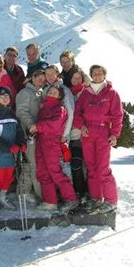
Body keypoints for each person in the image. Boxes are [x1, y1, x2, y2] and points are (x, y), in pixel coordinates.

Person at [73, 64, 123, 214]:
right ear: (91, 75)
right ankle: (95, 198)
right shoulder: (85, 94)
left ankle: (111, 200)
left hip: (103, 131)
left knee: (103, 168)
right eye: (94, 74)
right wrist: (81, 126)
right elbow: (77, 113)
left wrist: (115, 134)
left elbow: (118, 115)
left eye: (100, 73)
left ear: (104, 75)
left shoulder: (111, 93)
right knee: (91, 167)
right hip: (87, 132)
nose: (97, 76)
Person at [29, 85, 78, 213]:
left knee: (55, 172)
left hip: (51, 143)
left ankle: (70, 198)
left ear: (60, 96)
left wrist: (38, 126)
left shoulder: (60, 109)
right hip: (40, 142)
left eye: (55, 92)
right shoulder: (43, 108)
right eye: (50, 91)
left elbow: (55, 125)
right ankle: (50, 201)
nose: (51, 93)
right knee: (43, 172)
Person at [0, 86, 27, 216]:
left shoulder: (11, 113)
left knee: (9, 176)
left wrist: (21, 143)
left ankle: (2, 197)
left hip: (12, 153)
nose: (5, 98)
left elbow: (19, 131)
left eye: (7, 96)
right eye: (2, 96)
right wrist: (8, 147)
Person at [15, 68, 47, 201]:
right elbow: (21, 112)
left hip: (37, 134)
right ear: (32, 78)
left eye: (43, 79)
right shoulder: (25, 93)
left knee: (30, 164)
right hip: (29, 134)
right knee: (33, 164)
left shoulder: (39, 92)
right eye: (39, 78)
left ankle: (24, 192)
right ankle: (40, 195)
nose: (41, 81)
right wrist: (30, 126)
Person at [69, 69, 90, 202]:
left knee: (88, 166)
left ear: (83, 79)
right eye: (74, 78)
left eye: (78, 78)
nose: (76, 80)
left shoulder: (87, 92)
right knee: (76, 164)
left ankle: (88, 192)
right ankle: (78, 191)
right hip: (73, 136)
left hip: (86, 135)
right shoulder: (68, 93)